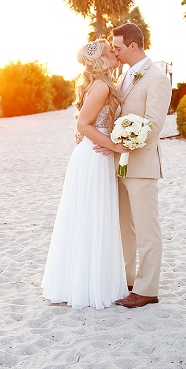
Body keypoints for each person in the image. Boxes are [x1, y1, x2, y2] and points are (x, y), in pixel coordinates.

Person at [41, 39, 129, 309]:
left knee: (91, 216)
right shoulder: (102, 86)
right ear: (101, 58)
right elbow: (83, 123)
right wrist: (112, 145)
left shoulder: (102, 84)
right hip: (94, 156)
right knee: (93, 215)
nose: (115, 53)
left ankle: (86, 281)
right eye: (109, 50)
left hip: (95, 154)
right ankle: (87, 285)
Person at [96, 22, 171, 308]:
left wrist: (127, 141)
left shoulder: (157, 79)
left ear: (133, 46)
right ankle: (127, 281)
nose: (114, 52)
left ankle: (148, 289)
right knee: (124, 227)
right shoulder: (125, 75)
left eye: (117, 47)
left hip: (141, 164)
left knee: (146, 229)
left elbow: (153, 124)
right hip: (119, 164)